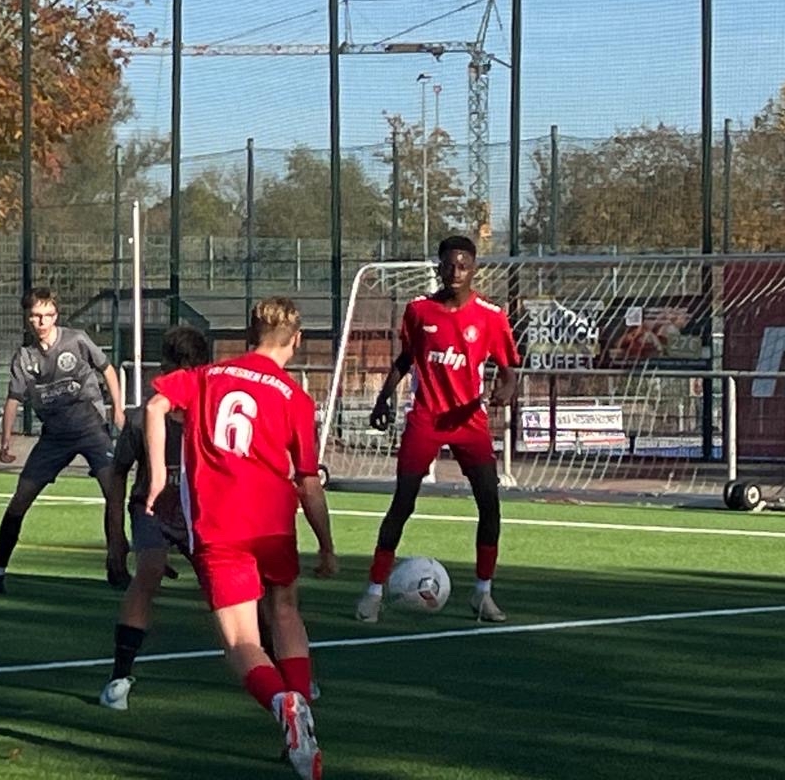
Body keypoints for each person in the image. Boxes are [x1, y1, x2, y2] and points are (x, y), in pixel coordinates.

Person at [145, 297, 338, 780]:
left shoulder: (208, 376)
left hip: (221, 525)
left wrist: (157, 476)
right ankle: (303, 725)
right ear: (297, 340)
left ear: (249, 335)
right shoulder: (296, 398)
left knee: (242, 641)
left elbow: (155, 405)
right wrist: (326, 544)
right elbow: (308, 482)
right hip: (274, 524)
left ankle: (283, 705)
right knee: (286, 611)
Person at [355, 234, 519, 625]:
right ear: (439, 267)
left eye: (464, 265)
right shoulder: (418, 310)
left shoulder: (491, 315)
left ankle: (483, 593)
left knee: (489, 503)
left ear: (474, 269)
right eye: (449, 264)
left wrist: (506, 388)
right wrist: (383, 399)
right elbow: (406, 359)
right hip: (426, 419)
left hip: (469, 422)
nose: (456, 272)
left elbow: (509, 369)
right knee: (403, 502)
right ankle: (374, 591)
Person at [0, 288, 126, 596]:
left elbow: (107, 368)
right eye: (35, 316)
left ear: (56, 316)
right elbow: (13, 399)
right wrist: (5, 441)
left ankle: (117, 565)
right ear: (27, 318)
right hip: (54, 437)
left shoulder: (76, 340)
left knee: (114, 492)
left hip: (91, 429)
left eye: (47, 315)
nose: (41, 322)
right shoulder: (25, 358)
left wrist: (117, 409)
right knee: (19, 501)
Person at [98, 323, 210, 711]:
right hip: (153, 510)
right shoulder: (141, 419)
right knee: (149, 570)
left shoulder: (211, 415)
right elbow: (117, 474)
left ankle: (281, 671)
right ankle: (119, 677)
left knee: (235, 589)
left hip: (199, 514)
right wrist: (115, 537)